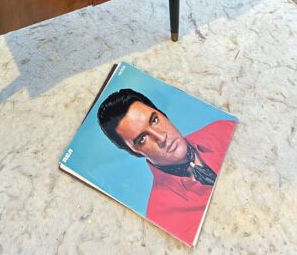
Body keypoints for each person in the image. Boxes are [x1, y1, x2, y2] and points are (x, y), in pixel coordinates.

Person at [97, 88, 236, 245]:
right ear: (134, 152)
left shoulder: (222, 129)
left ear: (163, 114)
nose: (162, 137)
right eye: (142, 139)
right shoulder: (161, 215)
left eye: (154, 120)